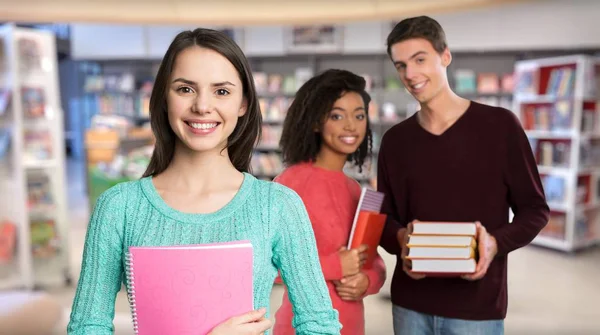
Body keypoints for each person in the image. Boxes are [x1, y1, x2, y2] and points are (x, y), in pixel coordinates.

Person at [67, 28, 341, 335]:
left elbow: (321, 327)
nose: (202, 106)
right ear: (163, 98)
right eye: (185, 89)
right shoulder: (119, 208)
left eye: (221, 91)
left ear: (243, 104)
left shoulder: (277, 206)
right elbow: (87, 328)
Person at [377, 16, 550, 335]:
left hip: (477, 309)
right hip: (410, 305)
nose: (411, 74)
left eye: (419, 59)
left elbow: (535, 211)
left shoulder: (500, 127)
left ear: (445, 56)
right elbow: (382, 218)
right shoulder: (394, 141)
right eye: (401, 65)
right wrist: (401, 239)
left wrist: (495, 244)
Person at [272, 69, 386, 335]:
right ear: (315, 122)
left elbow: (373, 261)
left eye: (359, 115)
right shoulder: (289, 184)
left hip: (352, 326)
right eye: (337, 115)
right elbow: (271, 267)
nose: (351, 125)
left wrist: (367, 280)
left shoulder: (355, 190)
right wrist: (335, 265)